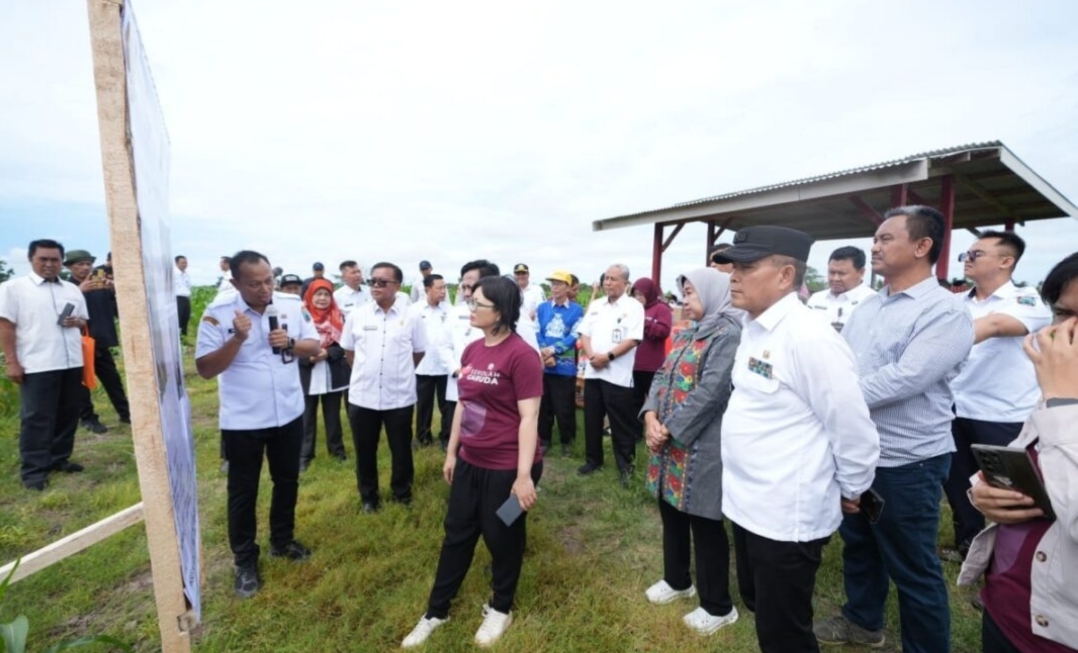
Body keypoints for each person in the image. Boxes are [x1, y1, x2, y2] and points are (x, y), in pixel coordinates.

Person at [713, 226, 879, 653]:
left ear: (786, 275)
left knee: (785, 632)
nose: (733, 275)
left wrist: (853, 487)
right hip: (746, 501)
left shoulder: (810, 337)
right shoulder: (753, 327)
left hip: (786, 513)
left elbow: (851, 425)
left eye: (747, 267)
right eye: (733, 266)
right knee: (761, 607)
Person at [815, 205, 974, 653]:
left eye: (887, 239)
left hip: (908, 460)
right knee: (859, 545)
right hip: (860, 452)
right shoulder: (870, 307)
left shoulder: (944, 311)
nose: (875, 246)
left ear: (922, 247)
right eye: (876, 238)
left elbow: (906, 378)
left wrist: (831, 397)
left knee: (912, 565)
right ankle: (863, 622)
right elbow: (842, 363)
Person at [401, 275, 543, 649]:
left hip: (510, 467)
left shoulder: (522, 355)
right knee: (457, 534)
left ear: (501, 312)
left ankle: (501, 606)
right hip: (471, 460)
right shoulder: (472, 350)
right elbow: (464, 404)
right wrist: (452, 452)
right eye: (470, 300)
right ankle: (436, 611)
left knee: (503, 534)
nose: (470, 307)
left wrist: (524, 476)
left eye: (478, 303)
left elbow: (530, 418)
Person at [958, 251, 1078, 653]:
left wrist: (1063, 403)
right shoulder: (1060, 388)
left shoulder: (1063, 391)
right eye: (1063, 314)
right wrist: (985, 491)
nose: (1067, 334)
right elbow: (1025, 457)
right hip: (1010, 609)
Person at [195, 250, 321, 598]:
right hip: (244, 420)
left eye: (269, 280)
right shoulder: (219, 314)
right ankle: (245, 560)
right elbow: (205, 369)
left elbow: (315, 345)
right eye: (255, 284)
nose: (265, 289)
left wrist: (292, 344)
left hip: (288, 413)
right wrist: (237, 338)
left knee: (287, 481)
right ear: (236, 282)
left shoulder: (290, 305)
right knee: (243, 491)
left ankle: (282, 540)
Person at [641, 268, 741, 635]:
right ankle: (678, 580)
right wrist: (650, 416)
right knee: (670, 511)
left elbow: (713, 392)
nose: (684, 301)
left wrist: (668, 429)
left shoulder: (728, 334)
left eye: (692, 294)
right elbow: (661, 376)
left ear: (714, 293)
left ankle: (718, 606)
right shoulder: (689, 332)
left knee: (704, 521)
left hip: (703, 446)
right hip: (667, 444)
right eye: (683, 294)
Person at [944, 231, 1050, 560]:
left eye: (977, 254)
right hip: (956, 407)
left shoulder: (1026, 300)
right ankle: (967, 545)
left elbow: (995, 326)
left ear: (1006, 261)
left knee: (1011, 490)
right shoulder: (957, 302)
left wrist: (931, 343)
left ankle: (1013, 556)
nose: (967, 260)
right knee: (961, 483)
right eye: (966, 255)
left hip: (1001, 413)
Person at [0, 239, 91, 491]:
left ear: (62, 262)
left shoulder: (72, 290)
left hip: (71, 361)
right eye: (44, 259)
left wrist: (77, 322)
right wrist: (12, 362)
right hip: (37, 363)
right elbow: (5, 326)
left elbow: (84, 321)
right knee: (37, 418)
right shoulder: (13, 288)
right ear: (31, 259)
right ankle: (33, 471)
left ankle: (59, 458)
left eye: (55, 260)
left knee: (68, 413)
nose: (50, 264)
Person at [341, 262, 427, 512]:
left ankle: (402, 492)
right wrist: (365, 372)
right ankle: (369, 497)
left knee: (401, 449)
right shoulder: (358, 315)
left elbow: (418, 352)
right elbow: (349, 350)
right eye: (372, 281)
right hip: (362, 397)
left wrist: (397, 373)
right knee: (364, 451)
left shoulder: (411, 316)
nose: (375, 286)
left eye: (382, 282)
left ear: (398, 286)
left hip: (398, 397)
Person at [438, 260, 541, 452]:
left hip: (498, 407)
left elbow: (533, 363)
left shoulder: (517, 319)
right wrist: (457, 370)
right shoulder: (459, 312)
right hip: (462, 392)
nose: (467, 293)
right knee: (461, 448)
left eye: (472, 287)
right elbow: (442, 345)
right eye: (465, 287)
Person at [577, 264, 645, 486]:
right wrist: (591, 355)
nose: (608, 283)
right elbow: (585, 333)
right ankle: (593, 460)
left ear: (626, 283)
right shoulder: (597, 305)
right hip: (594, 373)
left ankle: (626, 467)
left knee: (620, 423)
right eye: (606, 278)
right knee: (592, 419)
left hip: (617, 375)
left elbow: (633, 338)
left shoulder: (633, 307)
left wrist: (608, 357)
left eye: (614, 279)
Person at [63, 249, 131, 432]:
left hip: (100, 340)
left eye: (88, 264)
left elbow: (121, 308)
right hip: (77, 343)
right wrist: (79, 292)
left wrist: (114, 288)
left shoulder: (100, 284)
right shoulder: (65, 288)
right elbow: (61, 313)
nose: (85, 268)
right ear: (69, 267)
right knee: (82, 383)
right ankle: (88, 418)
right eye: (80, 264)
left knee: (112, 379)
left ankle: (126, 413)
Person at [298, 278, 350, 471]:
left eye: (326, 294)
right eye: (318, 294)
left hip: (331, 370)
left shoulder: (339, 315)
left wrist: (327, 353)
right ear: (310, 295)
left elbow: (344, 344)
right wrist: (307, 357)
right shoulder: (301, 316)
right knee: (306, 417)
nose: (322, 298)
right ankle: (304, 455)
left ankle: (337, 452)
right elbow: (292, 343)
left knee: (333, 415)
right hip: (307, 372)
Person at [536, 270, 584, 456]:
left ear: (567, 287)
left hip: (564, 366)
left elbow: (574, 334)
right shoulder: (542, 308)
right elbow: (537, 330)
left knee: (564, 406)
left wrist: (554, 350)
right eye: (552, 284)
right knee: (544, 404)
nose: (554, 287)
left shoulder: (576, 310)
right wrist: (543, 349)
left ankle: (567, 441)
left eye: (559, 284)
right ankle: (544, 439)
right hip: (543, 364)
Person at [410, 273, 452, 448]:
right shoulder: (414, 310)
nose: (443, 291)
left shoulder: (450, 310)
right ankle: (423, 437)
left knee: (447, 405)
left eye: (445, 288)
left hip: (445, 366)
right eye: (439, 288)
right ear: (428, 289)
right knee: (424, 405)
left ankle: (447, 437)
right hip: (423, 366)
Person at [630, 277, 673, 433]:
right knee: (634, 400)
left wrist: (644, 321)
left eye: (641, 294)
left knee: (655, 401)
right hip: (634, 364)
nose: (638, 298)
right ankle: (635, 433)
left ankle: (658, 431)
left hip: (652, 365)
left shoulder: (661, 309)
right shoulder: (631, 309)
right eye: (635, 295)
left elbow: (663, 331)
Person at [806, 246, 876, 331]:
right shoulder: (816, 299)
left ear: (861, 272)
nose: (835, 278)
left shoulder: (873, 301)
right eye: (831, 272)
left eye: (841, 273)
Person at [175, 255, 192, 338]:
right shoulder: (174, 274)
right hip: (177, 298)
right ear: (176, 263)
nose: (184, 264)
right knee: (179, 319)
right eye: (182, 262)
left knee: (186, 318)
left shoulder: (186, 274)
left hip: (186, 298)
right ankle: (178, 338)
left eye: (185, 262)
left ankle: (184, 337)